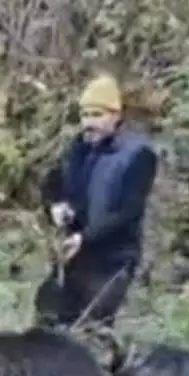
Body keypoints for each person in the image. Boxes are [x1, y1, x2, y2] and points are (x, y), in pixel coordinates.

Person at [33, 74, 158, 331]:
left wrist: (86, 238)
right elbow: (51, 184)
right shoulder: (78, 149)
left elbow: (128, 210)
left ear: (116, 116)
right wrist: (55, 206)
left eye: (97, 115)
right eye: (85, 115)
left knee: (92, 328)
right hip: (74, 257)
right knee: (47, 316)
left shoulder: (138, 154)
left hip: (113, 260)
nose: (89, 123)